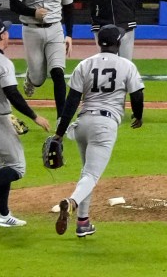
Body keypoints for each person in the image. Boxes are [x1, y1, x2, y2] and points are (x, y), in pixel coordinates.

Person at [53, 24, 144, 238]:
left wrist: (59, 133)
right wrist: (138, 116)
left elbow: (72, 102)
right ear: (119, 43)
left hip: (83, 123)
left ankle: (83, 223)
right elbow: (137, 95)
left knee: (87, 173)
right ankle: (72, 202)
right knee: (92, 175)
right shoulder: (126, 65)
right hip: (104, 125)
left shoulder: (84, 65)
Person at [0, 17, 50, 228]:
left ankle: (3, 214)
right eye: (6, 31)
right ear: (1, 36)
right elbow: (13, 94)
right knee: (17, 167)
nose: (8, 33)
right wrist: (35, 117)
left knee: (4, 165)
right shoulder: (2, 63)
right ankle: (3, 214)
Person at [7, 0, 74, 117]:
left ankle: (62, 119)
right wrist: (33, 12)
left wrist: (70, 35)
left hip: (55, 30)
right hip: (31, 30)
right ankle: (31, 77)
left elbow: (68, 6)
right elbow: (13, 4)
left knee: (58, 72)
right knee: (38, 80)